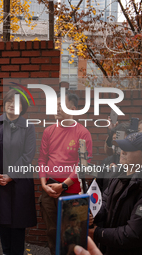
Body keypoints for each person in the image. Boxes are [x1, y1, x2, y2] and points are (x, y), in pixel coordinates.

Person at [0, 89, 37, 255]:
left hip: (19, 182)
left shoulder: (28, 126)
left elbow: (28, 155)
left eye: (16, 102)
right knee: (3, 221)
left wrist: (11, 175)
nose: (12, 105)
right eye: (9, 101)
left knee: (18, 224)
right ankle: (6, 252)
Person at [38, 92, 93, 255]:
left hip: (72, 193)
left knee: (72, 235)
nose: (57, 108)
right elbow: (42, 159)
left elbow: (83, 164)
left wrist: (63, 185)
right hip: (49, 191)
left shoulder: (83, 133)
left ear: (74, 109)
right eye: (56, 104)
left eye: (61, 105)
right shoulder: (49, 131)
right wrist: (43, 185)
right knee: (52, 232)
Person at [90, 132, 142, 255]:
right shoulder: (117, 176)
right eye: (123, 147)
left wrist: (97, 232)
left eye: (129, 149)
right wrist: (92, 214)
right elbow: (105, 204)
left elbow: (133, 234)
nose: (122, 151)